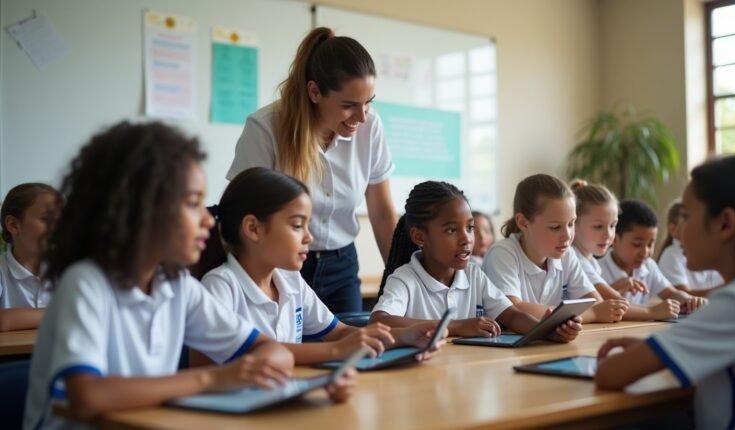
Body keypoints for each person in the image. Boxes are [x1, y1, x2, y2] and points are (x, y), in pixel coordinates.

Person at [23, 122, 353, 430]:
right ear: (144, 208)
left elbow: (271, 350)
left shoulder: (177, 286)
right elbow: (88, 397)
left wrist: (303, 385)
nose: (208, 220)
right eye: (194, 204)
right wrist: (215, 379)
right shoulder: (87, 283)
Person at [195, 167, 445, 365]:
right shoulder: (221, 286)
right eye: (297, 225)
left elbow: (339, 332)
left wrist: (404, 336)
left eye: (308, 225)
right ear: (253, 228)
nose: (309, 237)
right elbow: (253, 353)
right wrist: (336, 351)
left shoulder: (289, 280)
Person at [228, 27, 397, 313]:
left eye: (368, 103)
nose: (361, 116)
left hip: (342, 266)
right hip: (281, 265)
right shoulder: (265, 128)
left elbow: (381, 213)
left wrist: (403, 281)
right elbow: (240, 215)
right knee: (288, 341)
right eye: (349, 105)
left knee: (351, 338)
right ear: (315, 92)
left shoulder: (371, 126)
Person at [595, 154, 735, 430]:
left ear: (725, 224)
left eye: (686, 216)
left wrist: (649, 353)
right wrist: (657, 349)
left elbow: (609, 374)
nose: (677, 232)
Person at [370, 181, 581, 342]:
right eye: (451, 230)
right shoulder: (405, 279)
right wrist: (456, 326)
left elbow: (511, 315)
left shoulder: (474, 275)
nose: (466, 239)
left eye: (470, 227)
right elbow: (379, 321)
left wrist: (547, 331)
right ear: (419, 237)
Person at [482, 174, 628, 323]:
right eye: (555, 227)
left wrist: (573, 318)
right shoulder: (502, 254)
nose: (567, 236)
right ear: (523, 223)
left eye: (571, 224)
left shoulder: (567, 254)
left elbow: (596, 303)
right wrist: (591, 314)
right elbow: (513, 311)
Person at [571, 181, 679, 321]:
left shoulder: (591, 263)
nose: (608, 235)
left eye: (612, 225)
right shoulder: (575, 259)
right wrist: (652, 311)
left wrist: (614, 288)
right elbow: (609, 305)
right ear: (573, 223)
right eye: (598, 226)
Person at [597, 199, 707, 314]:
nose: (645, 252)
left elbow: (671, 293)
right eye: (637, 244)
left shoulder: (648, 266)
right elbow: (595, 307)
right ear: (614, 239)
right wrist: (614, 288)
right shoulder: (598, 270)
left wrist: (690, 300)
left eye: (650, 244)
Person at [0, 183, 61, 331]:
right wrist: (63, 313)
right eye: (46, 219)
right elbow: (2, 321)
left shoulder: (67, 269)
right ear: (13, 225)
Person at [657, 199, 723, 296]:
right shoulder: (671, 255)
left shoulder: (710, 251)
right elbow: (683, 296)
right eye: (685, 218)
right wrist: (725, 289)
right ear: (673, 229)